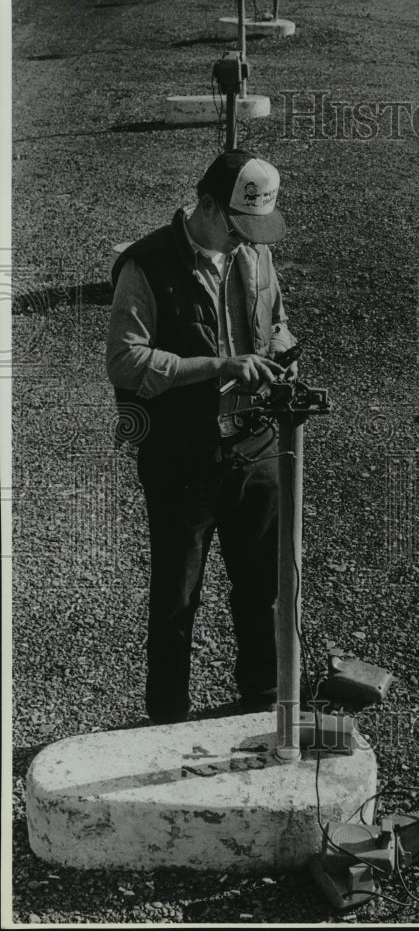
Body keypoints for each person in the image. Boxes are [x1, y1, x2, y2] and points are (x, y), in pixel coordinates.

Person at [106, 149, 297, 724]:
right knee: (176, 599)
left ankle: (260, 702)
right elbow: (126, 361)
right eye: (239, 227)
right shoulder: (146, 264)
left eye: (256, 229)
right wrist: (218, 366)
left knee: (262, 586)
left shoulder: (256, 254)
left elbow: (278, 321)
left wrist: (284, 354)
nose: (247, 240)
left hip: (254, 447)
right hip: (180, 457)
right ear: (208, 205)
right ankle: (165, 719)